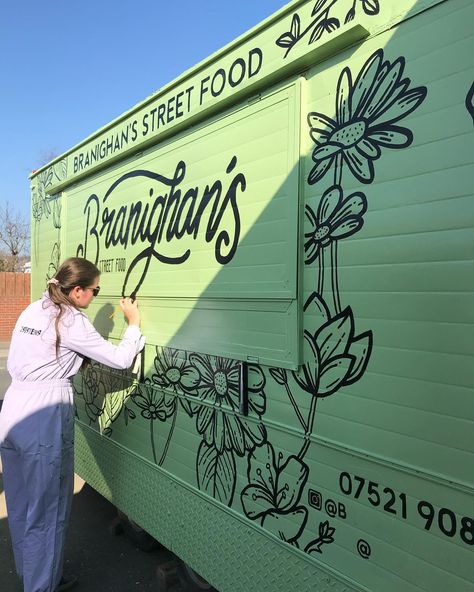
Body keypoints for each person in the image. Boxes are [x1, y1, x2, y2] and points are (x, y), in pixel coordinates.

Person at [0, 257, 145, 592]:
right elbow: (122, 359)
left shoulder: (34, 309)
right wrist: (133, 323)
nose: (96, 295)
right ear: (78, 291)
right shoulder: (71, 321)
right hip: (44, 414)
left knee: (22, 503)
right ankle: (41, 586)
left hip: (13, 409)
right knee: (48, 510)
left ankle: (35, 575)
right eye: (95, 290)